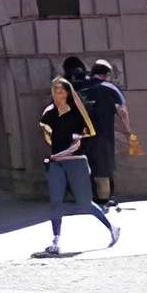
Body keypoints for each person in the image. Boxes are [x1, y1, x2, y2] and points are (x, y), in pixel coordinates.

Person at [37, 73, 120, 256]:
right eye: (55, 90)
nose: (57, 93)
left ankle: (112, 227)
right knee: (55, 202)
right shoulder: (49, 114)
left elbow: (80, 140)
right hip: (56, 164)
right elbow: (48, 134)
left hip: (76, 162)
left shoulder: (76, 114)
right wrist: (56, 155)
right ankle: (56, 241)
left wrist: (64, 151)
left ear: (67, 93)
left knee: (85, 203)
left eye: (61, 90)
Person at [77, 58, 133, 208]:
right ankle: (103, 201)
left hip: (82, 137)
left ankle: (88, 198)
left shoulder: (80, 87)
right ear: (107, 74)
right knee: (103, 169)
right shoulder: (110, 88)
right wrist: (128, 132)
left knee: (89, 167)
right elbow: (122, 112)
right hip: (103, 136)